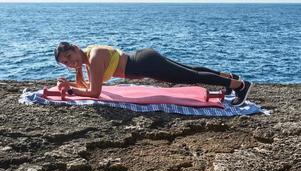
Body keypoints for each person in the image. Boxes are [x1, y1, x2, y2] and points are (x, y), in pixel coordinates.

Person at [54, 42, 252, 106]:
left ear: (75, 48)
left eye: (70, 56)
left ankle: (241, 86)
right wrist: (71, 84)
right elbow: (89, 88)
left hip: (145, 64)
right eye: (66, 63)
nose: (70, 63)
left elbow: (94, 93)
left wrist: (70, 92)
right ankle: (230, 78)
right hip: (144, 58)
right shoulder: (88, 56)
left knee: (191, 77)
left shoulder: (94, 58)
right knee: (190, 70)